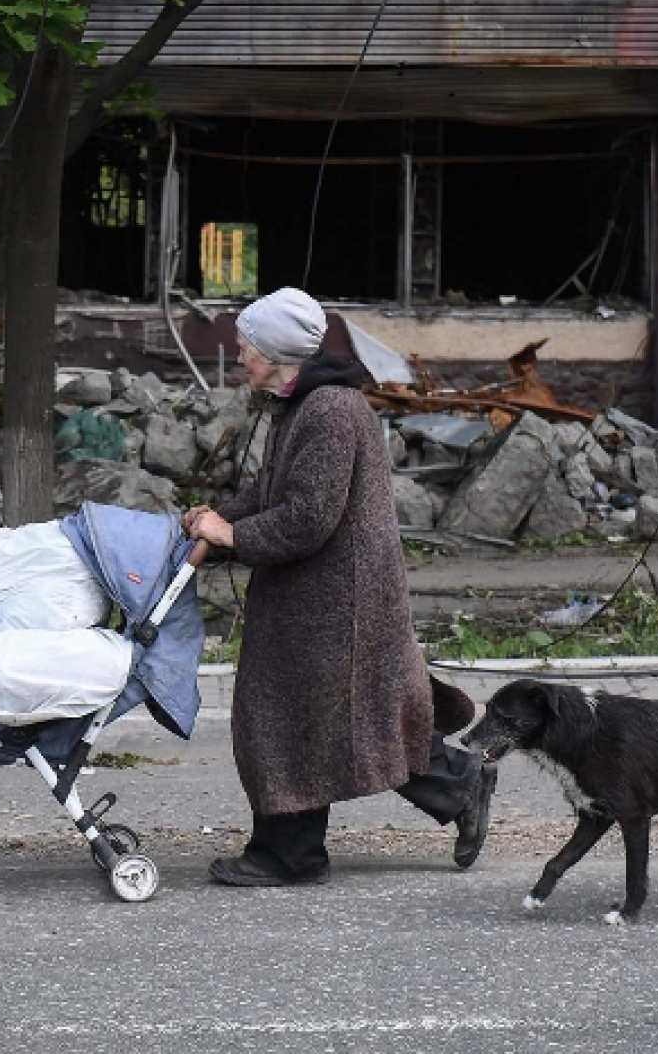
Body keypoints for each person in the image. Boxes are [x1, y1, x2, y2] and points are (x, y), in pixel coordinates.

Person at [183, 287, 497, 886]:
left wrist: (233, 536)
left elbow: (307, 517)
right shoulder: (299, 404)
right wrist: (215, 521)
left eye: (246, 346)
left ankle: (289, 855)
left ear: (278, 352)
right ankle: (459, 785)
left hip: (336, 601)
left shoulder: (327, 411)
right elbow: (272, 495)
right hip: (319, 595)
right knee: (352, 716)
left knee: (299, 716)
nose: (240, 357)